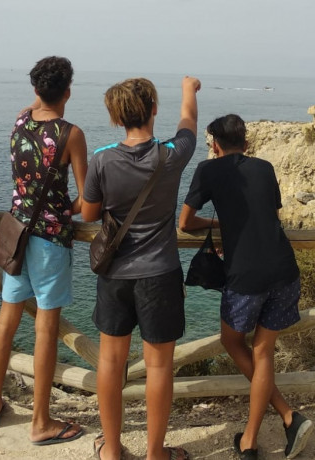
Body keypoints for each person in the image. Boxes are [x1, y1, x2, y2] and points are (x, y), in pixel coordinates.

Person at [179, 114, 313, 460]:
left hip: (246, 275)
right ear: (247, 144)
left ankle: (251, 442)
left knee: (231, 341)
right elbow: (267, 213)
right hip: (284, 269)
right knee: (263, 351)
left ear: (214, 146)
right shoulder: (265, 167)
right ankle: (288, 417)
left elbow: (185, 221)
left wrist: (218, 222)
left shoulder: (208, 170)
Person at [82, 76, 199, 460]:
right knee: (159, 366)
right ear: (153, 109)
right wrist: (188, 91)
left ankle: (112, 450)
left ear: (117, 118)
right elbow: (189, 123)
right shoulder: (172, 155)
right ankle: (155, 454)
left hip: (114, 274)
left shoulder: (100, 159)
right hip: (159, 273)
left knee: (111, 363)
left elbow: (89, 213)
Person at [0, 56, 87, 444]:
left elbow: (31, 111)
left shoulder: (19, 123)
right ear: (68, 91)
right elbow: (87, 198)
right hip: (50, 240)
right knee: (46, 327)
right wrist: (65, 213)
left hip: (16, 232)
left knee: (6, 321)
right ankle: (41, 422)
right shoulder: (72, 134)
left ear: (35, 90)